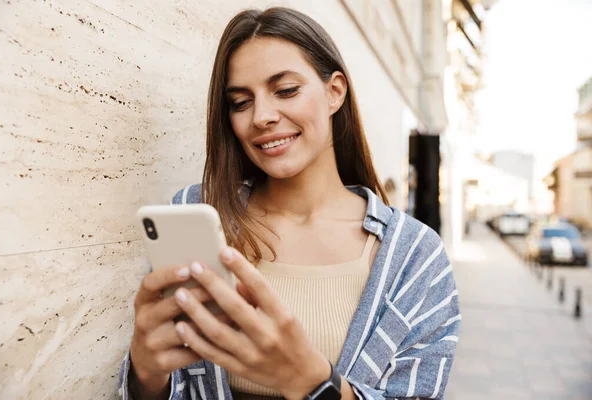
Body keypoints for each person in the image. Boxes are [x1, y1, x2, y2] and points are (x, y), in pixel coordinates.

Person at [118, 7, 460, 400]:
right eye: (241, 102)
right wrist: (145, 374)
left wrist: (313, 381)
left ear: (334, 92)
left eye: (286, 91)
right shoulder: (195, 213)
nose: (262, 116)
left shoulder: (416, 259)